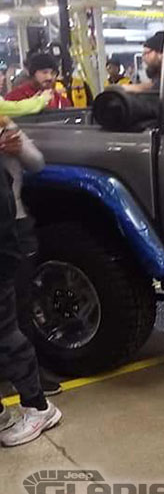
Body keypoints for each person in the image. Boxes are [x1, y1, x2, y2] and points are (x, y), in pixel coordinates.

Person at [0, 130, 62, 447]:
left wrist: (18, 145)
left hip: (9, 239)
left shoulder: (6, 128)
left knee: (11, 326)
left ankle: (37, 403)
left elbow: (35, 163)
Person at [4, 54, 71, 109]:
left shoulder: (63, 101)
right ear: (33, 74)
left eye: (53, 73)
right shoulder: (14, 98)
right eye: (44, 72)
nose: (49, 77)